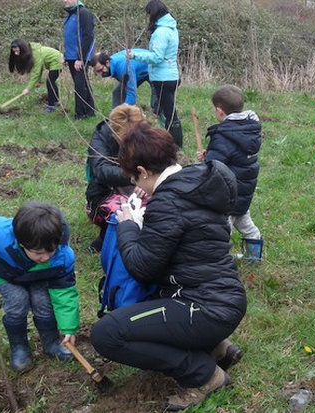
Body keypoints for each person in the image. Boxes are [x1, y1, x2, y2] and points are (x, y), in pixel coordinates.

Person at [90, 122, 246, 411]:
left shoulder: (169, 203)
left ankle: (203, 374)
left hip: (203, 307)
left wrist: (127, 225)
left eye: (134, 179)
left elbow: (141, 267)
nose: (136, 186)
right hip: (224, 298)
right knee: (149, 306)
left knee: (106, 334)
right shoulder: (196, 184)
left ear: (143, 172)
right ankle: (216, 347)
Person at [0, 200, 79, 372]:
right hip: (4, 275)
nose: (46, 257)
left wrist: (69, 328)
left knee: (42, 301)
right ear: (21, 243)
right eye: (39, 253)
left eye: (51, 251)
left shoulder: (62, 258)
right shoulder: (0, 234)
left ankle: (51, 342)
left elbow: (65, 293)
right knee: (19, 300)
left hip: (39, 275)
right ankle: (19, 347)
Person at [196, 84, 263, 262]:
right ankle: (255, 256)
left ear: (219, 111)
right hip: (244, 191)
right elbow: (234, 155)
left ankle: (219, 259)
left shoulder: (223, 135)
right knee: (245, 222)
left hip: (227, 193)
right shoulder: (250, 129)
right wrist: (209, 154)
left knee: (222, 227)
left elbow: (215, 166)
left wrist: (206, 161)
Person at [85, 104, 149, 252]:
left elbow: (160, 162)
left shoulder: (148, 134)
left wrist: (149, 183)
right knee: (118, 211)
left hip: (141, 189)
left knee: (160, 205)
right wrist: (136, 178)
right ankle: (106, 236)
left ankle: (144, 237)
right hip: (106, 191)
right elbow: (101, 169)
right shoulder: (101, 137)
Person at [127, 0, 183, 147]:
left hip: (163, 77)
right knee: (165, 110)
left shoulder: (161, 32)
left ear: (153, 14)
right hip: (170, 75)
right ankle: (171, 141)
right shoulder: (171, 28)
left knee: (169, 114)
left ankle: (176, 145)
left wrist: (134, 55)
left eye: (148, 14)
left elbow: (157, 57)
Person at [62, 0, 96, 120]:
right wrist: (66, 56)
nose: (64, 1)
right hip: (72, 57)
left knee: (80, 85)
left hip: (80, 57)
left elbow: (89, 36)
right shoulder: (70, 15)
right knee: (83, 83)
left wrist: (80, 58)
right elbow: (70, 37)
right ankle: (90, 111)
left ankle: (80, 115)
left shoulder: (84, 13)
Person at [8, 39, 62, 113]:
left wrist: (28, 88)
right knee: (51, 82)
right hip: (54, 61)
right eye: (14, 51)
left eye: (17, 51)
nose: (16, 53)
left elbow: (36, 73)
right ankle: (56, 101)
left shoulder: (35, 54)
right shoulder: (30, 52)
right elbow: (39, 69)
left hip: (57, 60)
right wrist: (39, 81)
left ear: (22, 49)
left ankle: (51, 107)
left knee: (50, 82)